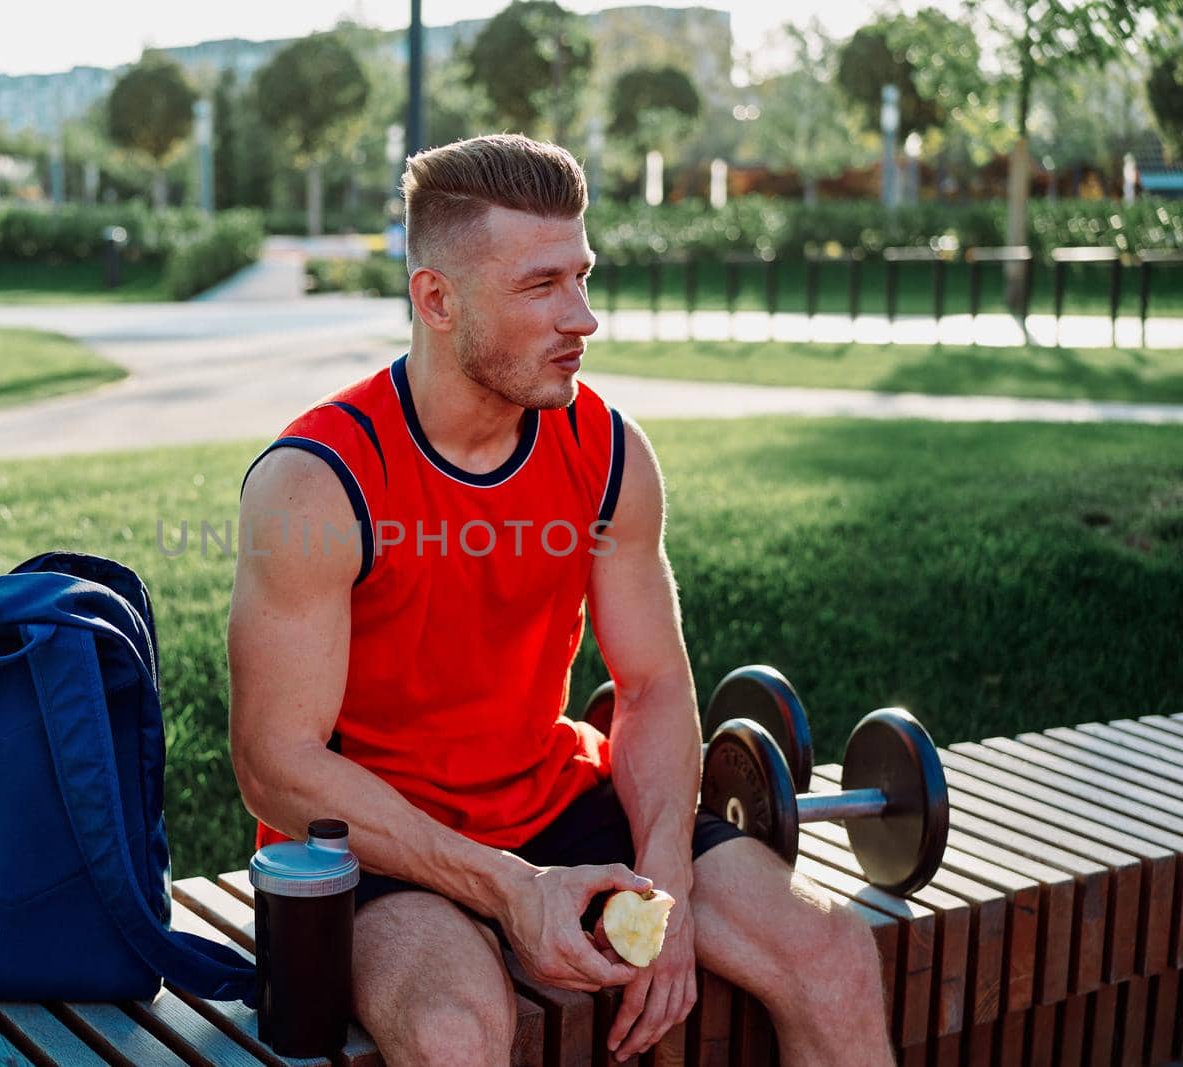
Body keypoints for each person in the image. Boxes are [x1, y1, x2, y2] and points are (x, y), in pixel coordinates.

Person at [227, 133, 893, 1066]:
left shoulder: (610, 450)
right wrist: (507, 887)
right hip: (379, 840)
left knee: (832, 955)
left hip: (557, 800)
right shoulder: (319, 481)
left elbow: (655, 685)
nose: (581, 316)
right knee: (455, 1035)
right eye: (541, 287)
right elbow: (275, 766)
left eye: (582, 276)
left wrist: (665, 877)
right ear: (436, 298)